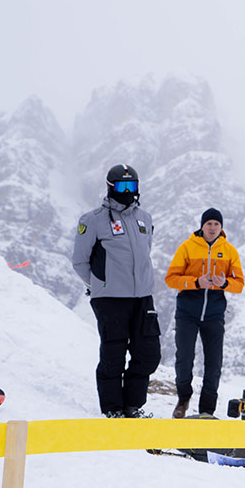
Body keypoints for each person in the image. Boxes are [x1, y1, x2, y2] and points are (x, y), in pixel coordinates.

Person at [72, 164, 161, 418]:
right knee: (114, 353)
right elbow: (80, 261)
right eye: (122, 186)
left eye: (132, 186)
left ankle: (133, 405)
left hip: (143, 297)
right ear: (110, 187)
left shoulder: (145, 218)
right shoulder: (93, 220)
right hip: (110, 299)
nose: (127, 191)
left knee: (148, 353)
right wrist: (101, 284)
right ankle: (113, 408)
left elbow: (145, 253)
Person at [164, 208, 245, 418]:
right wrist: (196, 282)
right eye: (209, 224)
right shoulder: (187, 247)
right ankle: (183, 399)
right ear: (202, 226)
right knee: (184, 359)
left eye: (216, 224)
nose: (212, 228)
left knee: (213, 363)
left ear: (221, 227)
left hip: (214, 314)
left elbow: (239, 285)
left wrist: (225, 282)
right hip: (187, 312)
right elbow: (171, 279)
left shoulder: (229, 251)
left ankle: (207, 409)